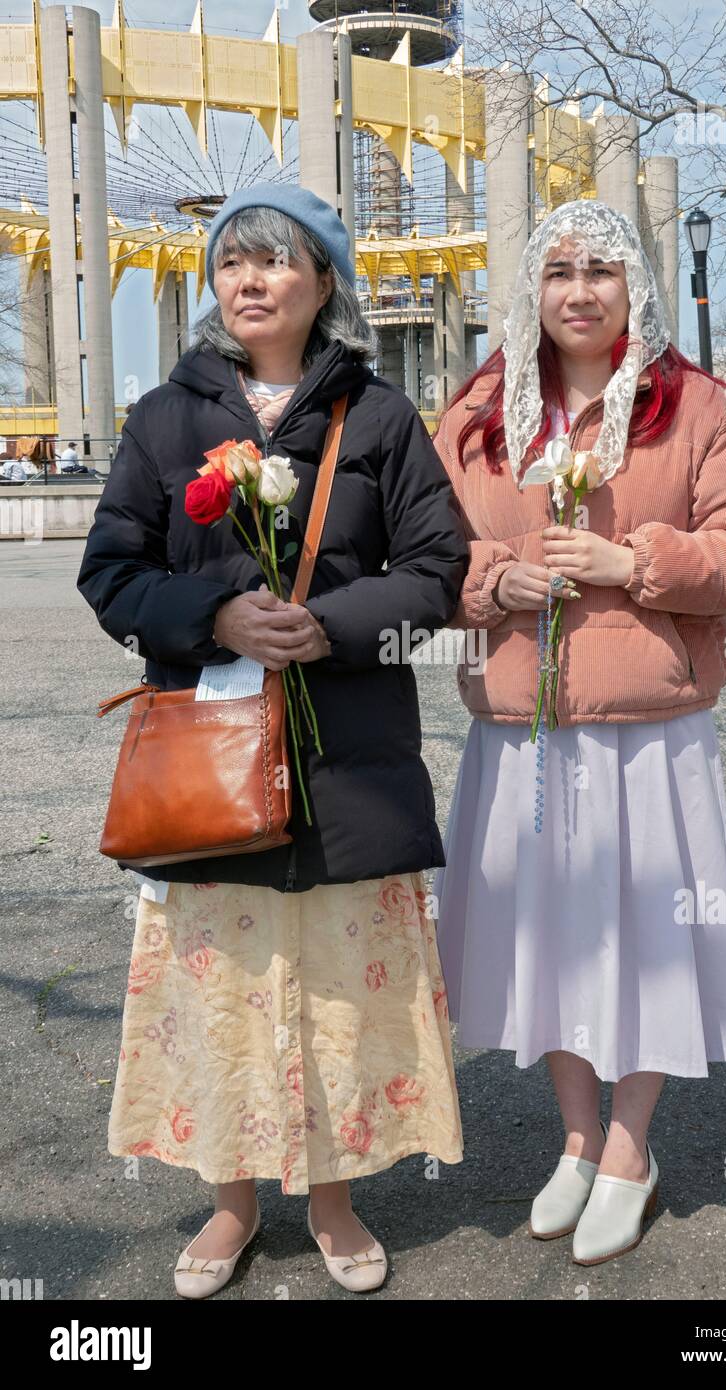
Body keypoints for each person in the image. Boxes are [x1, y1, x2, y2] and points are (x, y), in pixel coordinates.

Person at [77, 182, 469, 1298]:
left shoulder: (381, 418)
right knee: (224, 989)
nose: (250, 282)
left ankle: (337, 1202)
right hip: (205, 760)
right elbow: (110, 571)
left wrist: (329, 627)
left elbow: (437, 574)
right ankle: (229, 1203)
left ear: (324, 282)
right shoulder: (165, 417)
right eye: (232, 264)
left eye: (276, 261)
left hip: (346, 755)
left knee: (342, 991)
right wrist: (211, 617)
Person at [430, 200, 726, 1267]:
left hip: (649, 728)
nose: (577, 290)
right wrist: (496, 579)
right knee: (540, 935)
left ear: (631, 283)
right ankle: (575, 1138)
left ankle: (630, 1149)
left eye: (598, 268)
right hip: (520, 727)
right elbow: (421, 553)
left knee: (644, 940)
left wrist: (638, 562)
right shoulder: (478, 412)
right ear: (530, 289)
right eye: (556, 271)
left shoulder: (698, 409)